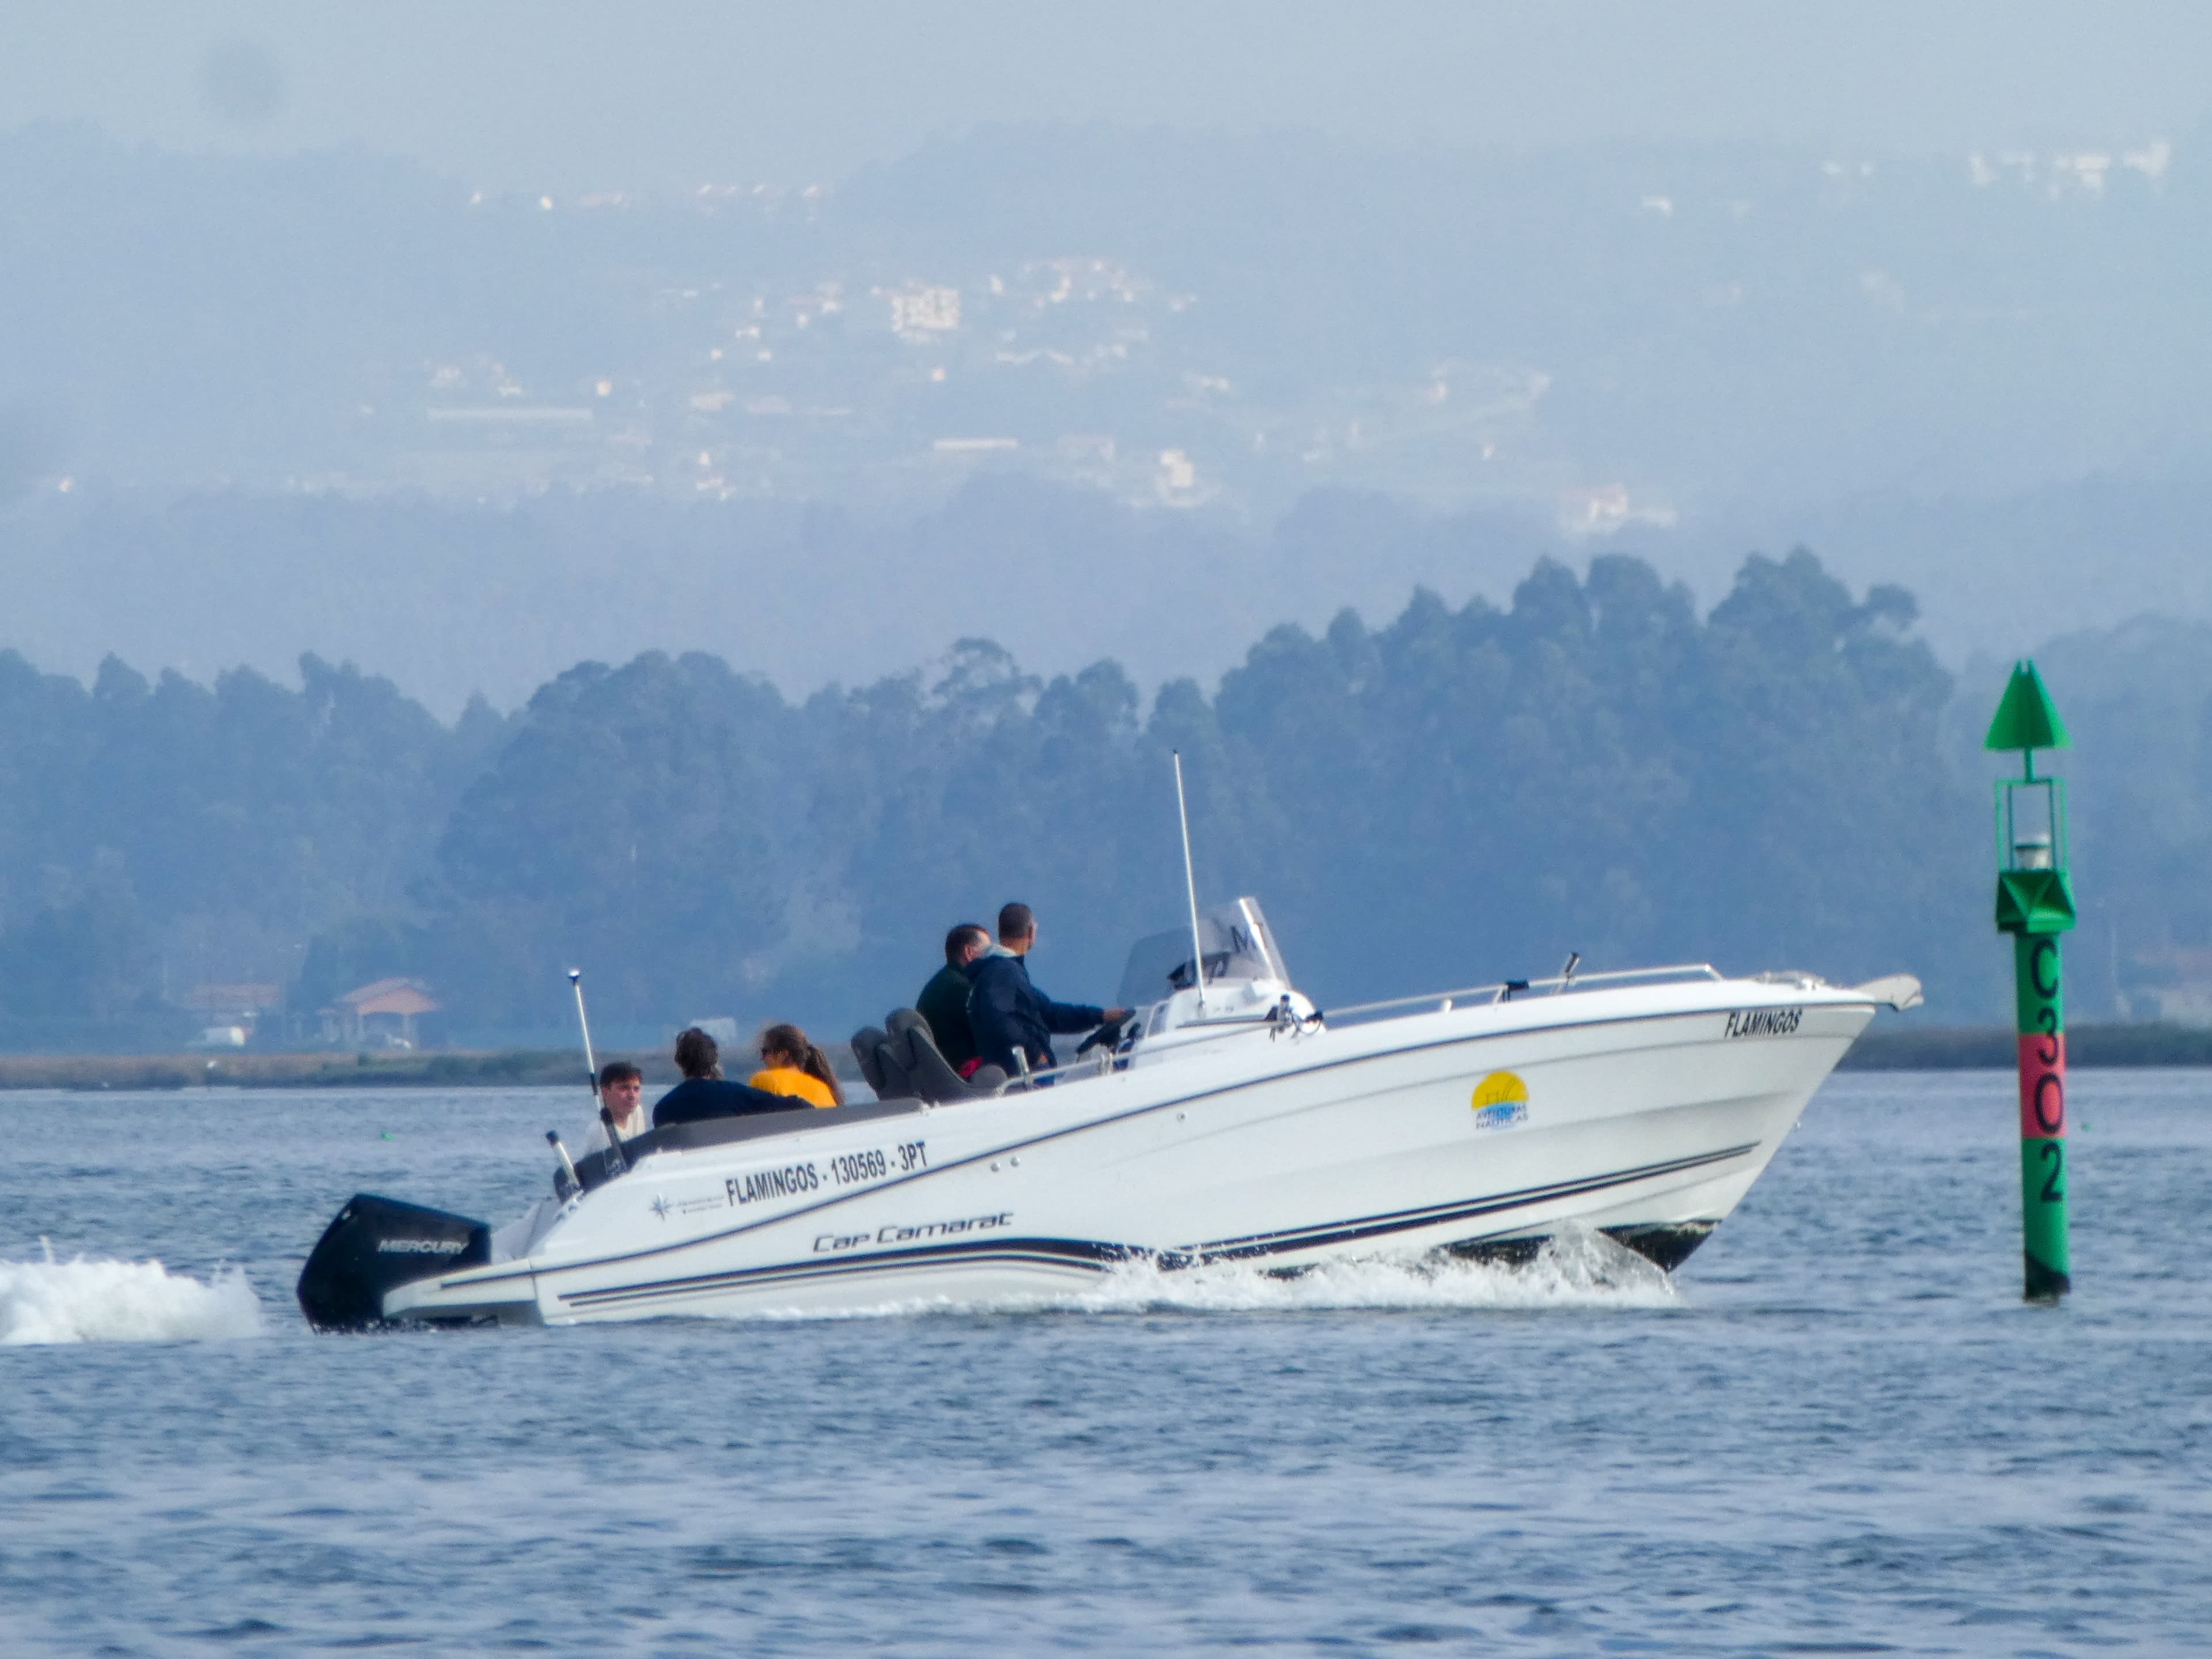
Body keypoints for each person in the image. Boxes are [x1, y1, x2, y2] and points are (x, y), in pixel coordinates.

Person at [967, 902, 1130, 1078]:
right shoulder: (1002, 972)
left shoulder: (1006, 972)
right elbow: (999, 1018)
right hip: (1024, 1077)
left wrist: (1101, 1016)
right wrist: (1035, 1054)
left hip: (1023, 1074)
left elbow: (1049, 1012)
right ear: (1030, 933)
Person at [651, 1026, 792, 1127]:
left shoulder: (663, 1109)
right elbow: (793, 1106)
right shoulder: (735, 1095)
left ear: (679, 1063)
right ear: (714, 1061)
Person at [916, 923, 990, 1074]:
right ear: (969, 952)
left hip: (940, 1078)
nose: (992, 958)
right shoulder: (962, 989)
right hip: (967, 1077)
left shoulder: (939, 984)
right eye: (987, 952)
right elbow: (991, 1033)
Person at [749, 1022, 843, 1109]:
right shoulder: (824, 1089)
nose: (762, 1058)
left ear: (783, 1054)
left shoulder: (763, 1080)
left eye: (765, 1052)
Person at [599, 1060, 646, 1137]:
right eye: (624, 1088)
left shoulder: (637, 1112)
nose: (632, 1095)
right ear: (605, 1092)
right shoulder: (599, 1133)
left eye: (636, 1089)